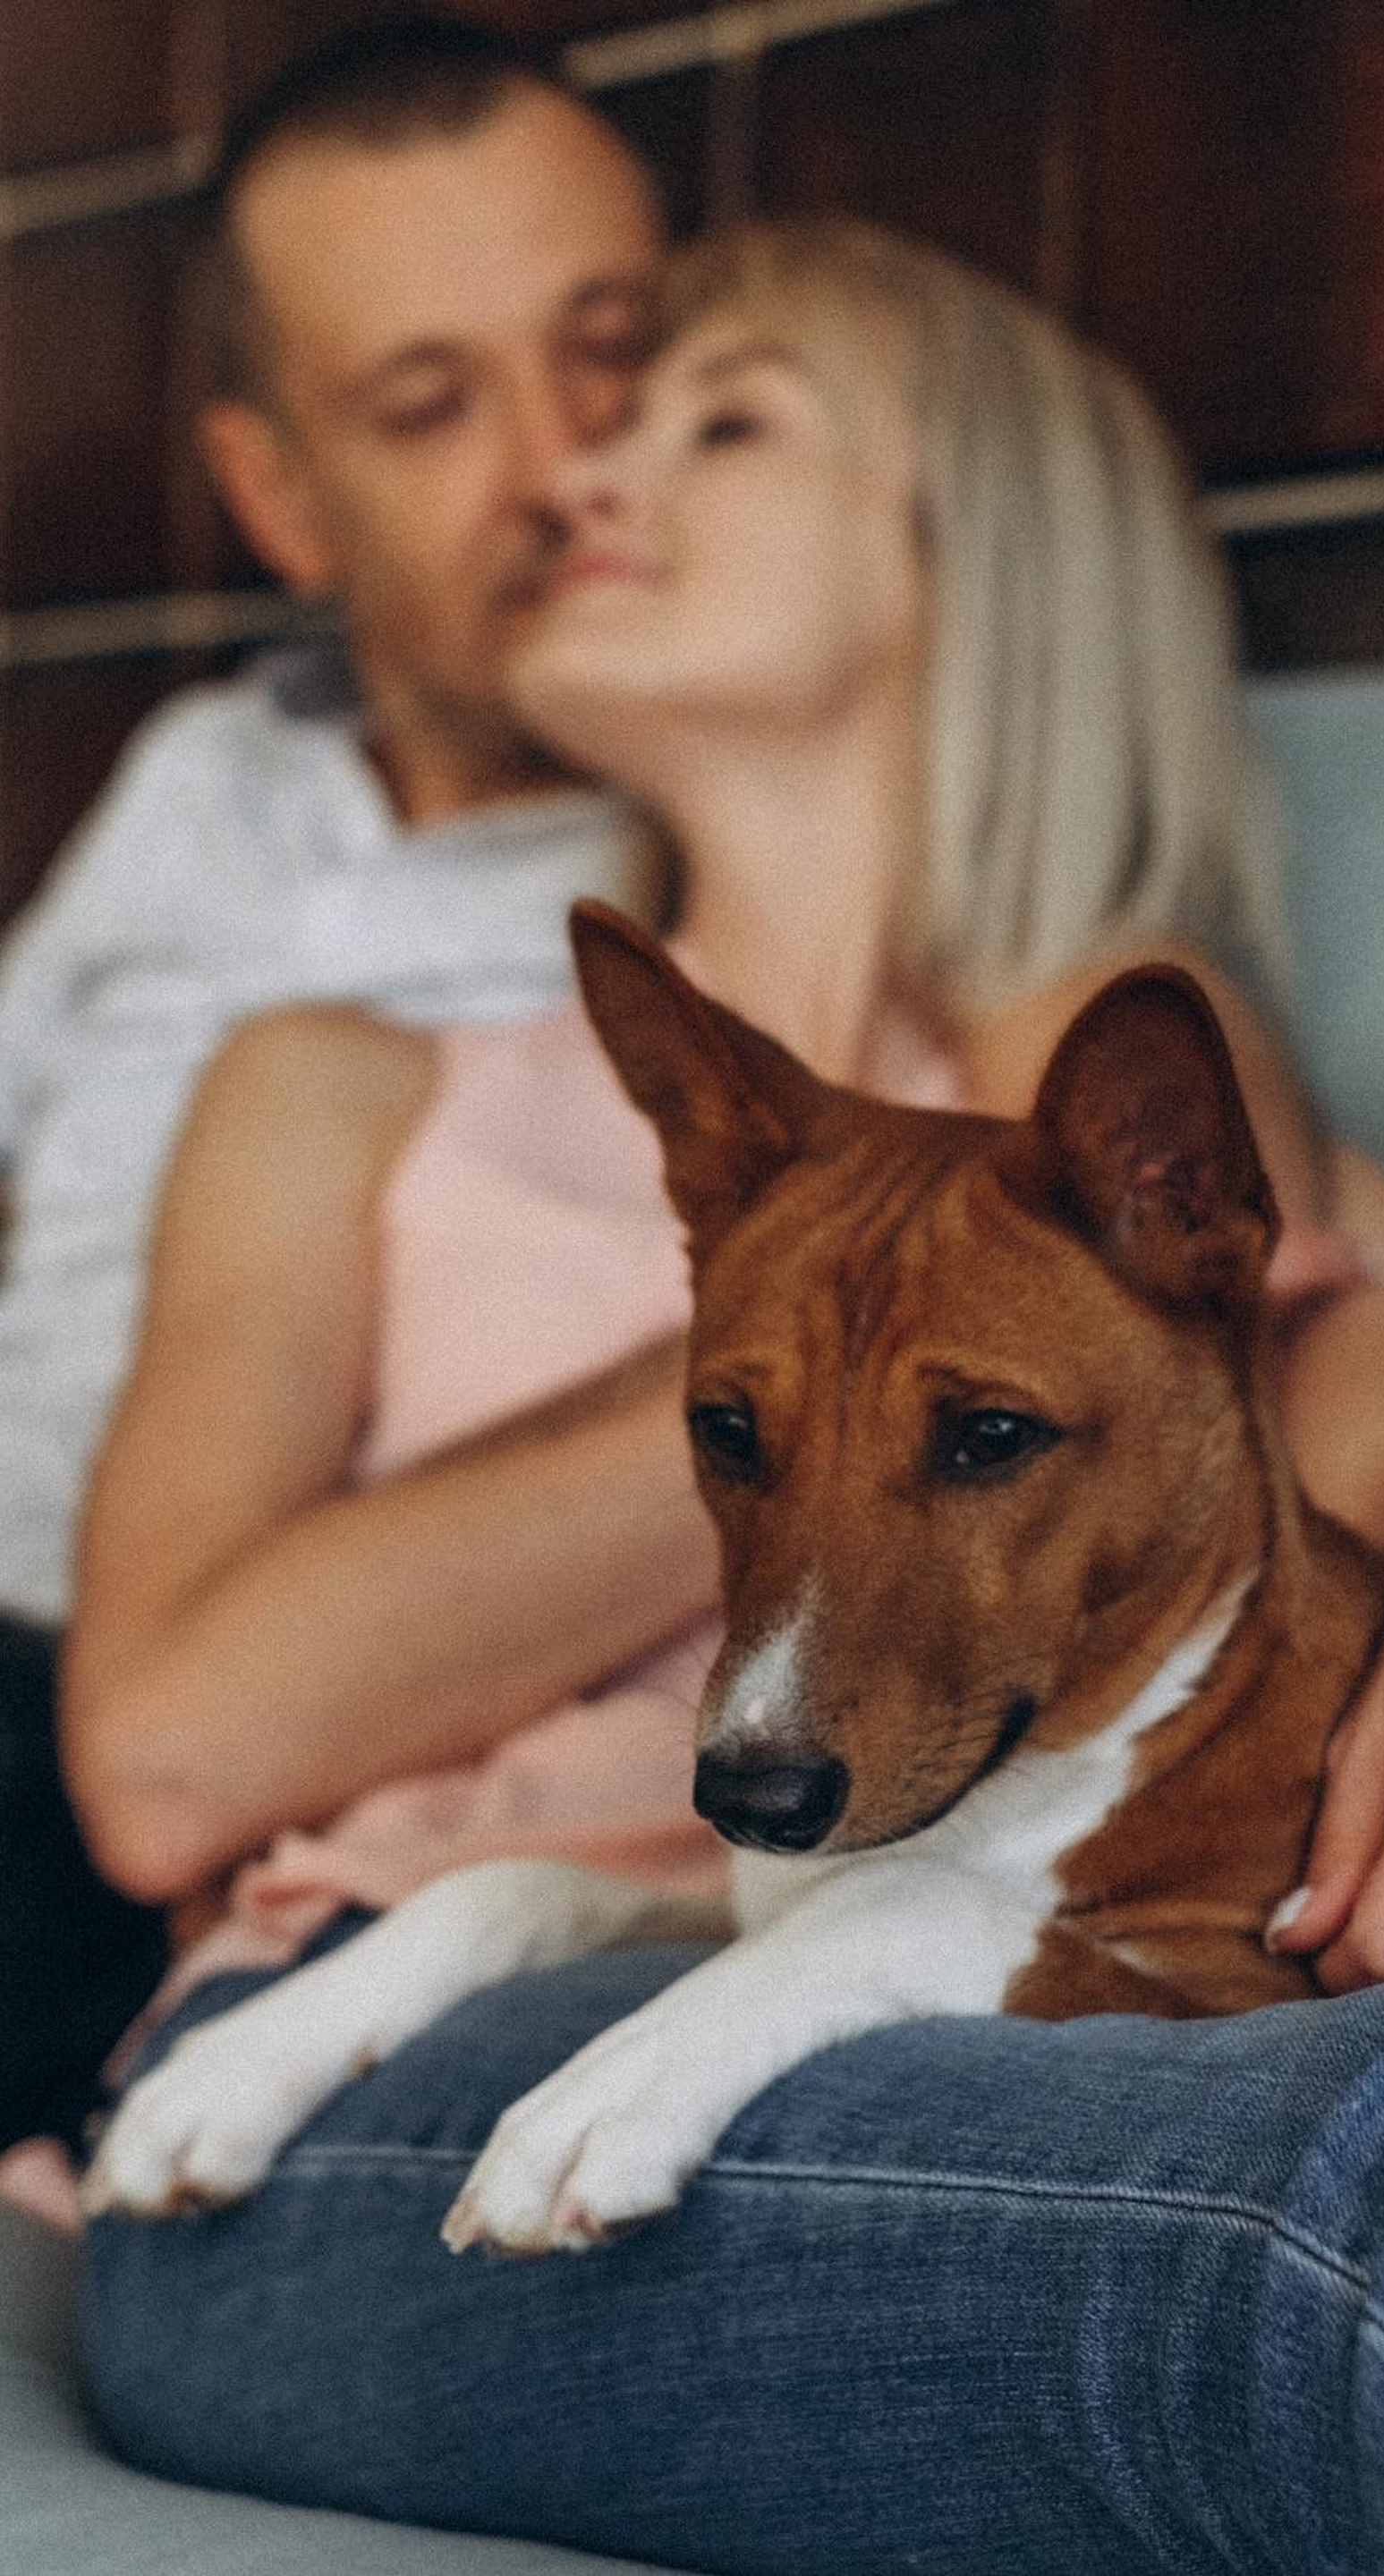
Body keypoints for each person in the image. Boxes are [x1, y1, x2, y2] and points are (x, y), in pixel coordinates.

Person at [64, 214, 1384, 2569]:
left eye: (706, 415)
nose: (583, 472)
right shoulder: (339, 1087)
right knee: (1362, 2190)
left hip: (1028, 1978)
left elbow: (1378, 1487)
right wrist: (807, 1297)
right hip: (375, 2067)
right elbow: (163, 1754)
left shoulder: (1153, 1128)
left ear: (983, 549)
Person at [0, 12, 672, 2154]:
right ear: (282, 495)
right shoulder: (207, 781)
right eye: (428, 403)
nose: (566, 460)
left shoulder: (734, 849)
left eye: (615, 346)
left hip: (178, 1755)